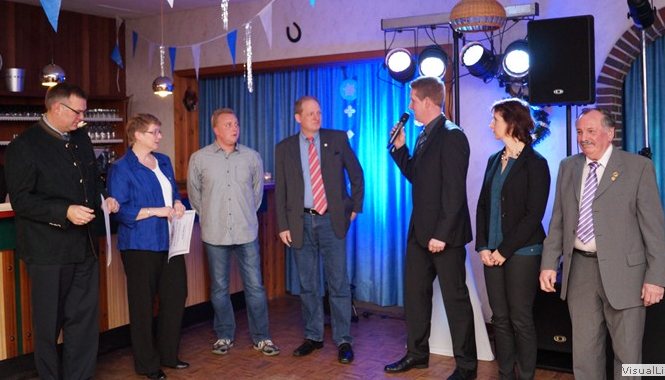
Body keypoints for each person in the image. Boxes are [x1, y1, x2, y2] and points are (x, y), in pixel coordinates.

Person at [539, 108, 665, 380]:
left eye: (591, 131)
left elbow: (654, 228)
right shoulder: (568, 166)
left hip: (626, 275)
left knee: (628, 355)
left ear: (610, 133)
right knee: (585, 354)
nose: (583, 137)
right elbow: (558, 220)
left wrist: (656, 278)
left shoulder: (638, 167)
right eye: (579, 132)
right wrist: (549, 263)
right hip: (580, 272)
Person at [5, 83, 120, 380]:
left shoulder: (81, 137)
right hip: (47, 251)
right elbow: (21, 201)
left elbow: (93, 179)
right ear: (57, 108)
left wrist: (104, 196)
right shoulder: (24, 145)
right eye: (78, 112)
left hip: (85, 246)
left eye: (84, 112)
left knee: (83, 323)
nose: (82, 118)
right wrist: (64, 211)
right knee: (48, 325)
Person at [386, 76, 477, 380]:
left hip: (444, 236)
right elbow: (418, 177)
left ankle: (466, 368)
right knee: (415, 296)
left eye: (412, 100)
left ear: (427, 101)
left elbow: (454, 192)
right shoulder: (424, 135)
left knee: (455, 301)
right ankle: (417, 354)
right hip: (420, 233)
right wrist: (400, 149)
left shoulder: (452, 135)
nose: (409, 106)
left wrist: (441, 234)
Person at [274, 96, 364, 364]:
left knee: (338, 283)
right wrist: (283, 225)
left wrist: (355, 207)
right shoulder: (284, 148)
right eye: (310, 113)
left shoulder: (337, 139)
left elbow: (357, 174)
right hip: (300, 223)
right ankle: (313, 336)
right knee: (308, 284)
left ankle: (343, 339)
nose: (316, 117)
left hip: (331, 221)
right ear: (298, 118)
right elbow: (281, 190)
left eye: (319, 112)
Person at [187, 108, 279, 357]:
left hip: (246, 232)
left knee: (255, 287)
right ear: (216, 129)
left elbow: (257, 195)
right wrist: (210, 217)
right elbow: (195, 197)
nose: (234, 128)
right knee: (219, 288)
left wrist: (244, 215)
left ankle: (262, 337)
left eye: (236, 123)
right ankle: (224, 335)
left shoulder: (252, 157)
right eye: (228, 124)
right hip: (215, 234)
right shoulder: (199, 158)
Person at [107, 113, 188, 380]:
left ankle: (168, 355)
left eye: (159, 131)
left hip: (170, 241)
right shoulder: (121, 168)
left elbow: (173, 193)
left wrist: (177, 203)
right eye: (154, 132)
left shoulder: (163, 161)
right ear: (138, 135)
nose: (159, 137)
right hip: (139, 245)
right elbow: (120, 211)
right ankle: (147, 364)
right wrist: (156, 210)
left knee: (176, 296)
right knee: (142, 305)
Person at [475, 98, 551, 380]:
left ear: (512, 123)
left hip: (523, 251)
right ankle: (505, 374)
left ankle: (526, 375)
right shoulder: (494, 160)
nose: (491, 125)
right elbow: (483, 206)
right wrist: (483, 246)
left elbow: (534, 215)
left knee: (520, 318)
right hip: (492, 251)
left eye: (495, 120)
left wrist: (503, 251)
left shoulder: (536, 163)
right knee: (500, 318)